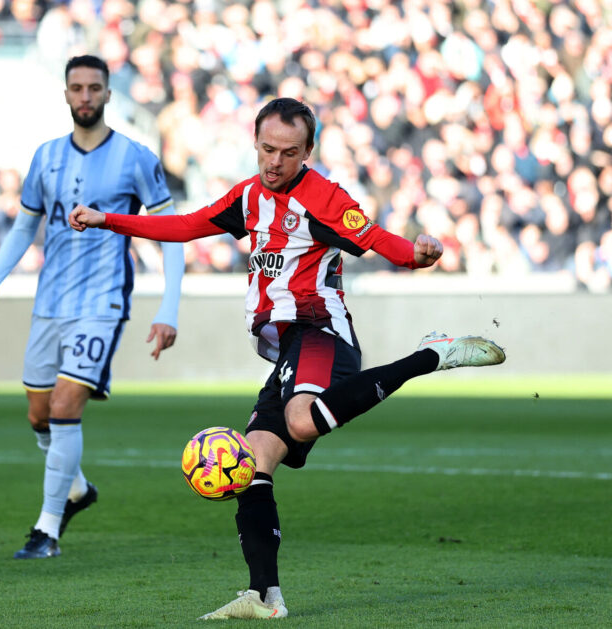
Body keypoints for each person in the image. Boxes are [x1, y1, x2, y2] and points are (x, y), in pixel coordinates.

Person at [70, 97, 506, 619]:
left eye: (289, 152)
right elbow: (186, 226)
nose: (275, 162)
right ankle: (263, 597)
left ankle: (431, 355)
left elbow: (374, 238)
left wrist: (417, 253)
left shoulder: (323, 198)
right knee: (252, 464)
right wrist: (105, 220)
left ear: (308, 152)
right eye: (267, 149)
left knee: (301, 421)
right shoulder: (248, 195)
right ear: (255, 142)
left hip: (321, 331)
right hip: (284, 350)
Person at [0, 55, 185, 559]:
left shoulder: (136, 157)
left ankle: (46, 531)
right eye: (77, 88)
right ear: (66, 94)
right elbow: (25, 227)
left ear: (109, 94)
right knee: (39, 415)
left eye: (94, 88)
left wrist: (168, 307)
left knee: (66, 407)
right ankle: (78, 489)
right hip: (50, 301)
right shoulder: (45, 157)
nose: (85, 96)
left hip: (102, 301)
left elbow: (171, 235)